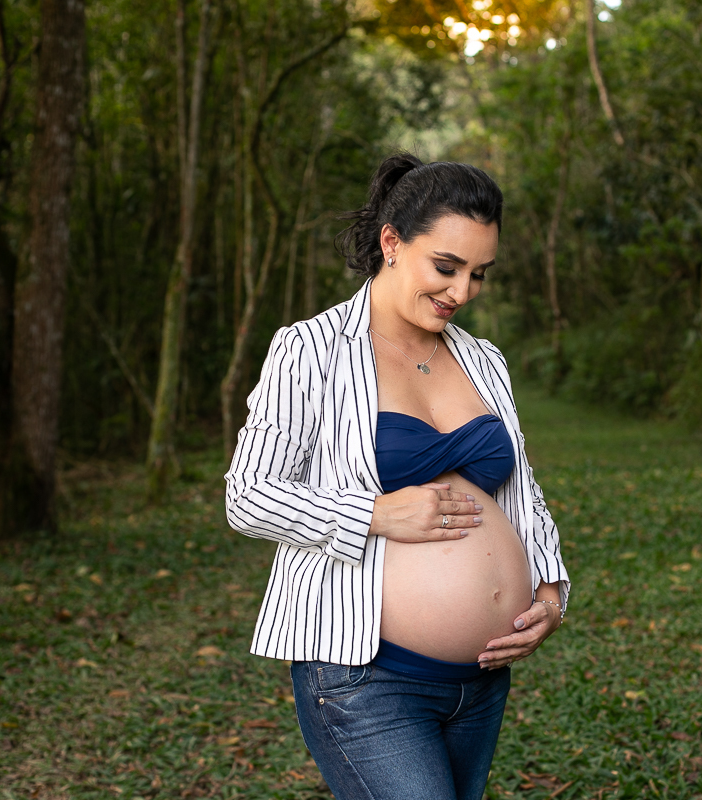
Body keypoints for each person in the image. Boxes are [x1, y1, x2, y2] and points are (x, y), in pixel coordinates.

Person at [224, 152, 570, 800]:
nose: (462, 292)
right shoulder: (311, 349)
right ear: (391, 241)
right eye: (446, 267)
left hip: (481, 681)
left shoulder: (483, 359)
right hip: (365, 674)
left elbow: (522, 489)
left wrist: (550, 593)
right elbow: (247, 497)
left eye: (479, 275)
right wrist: (376, 514)